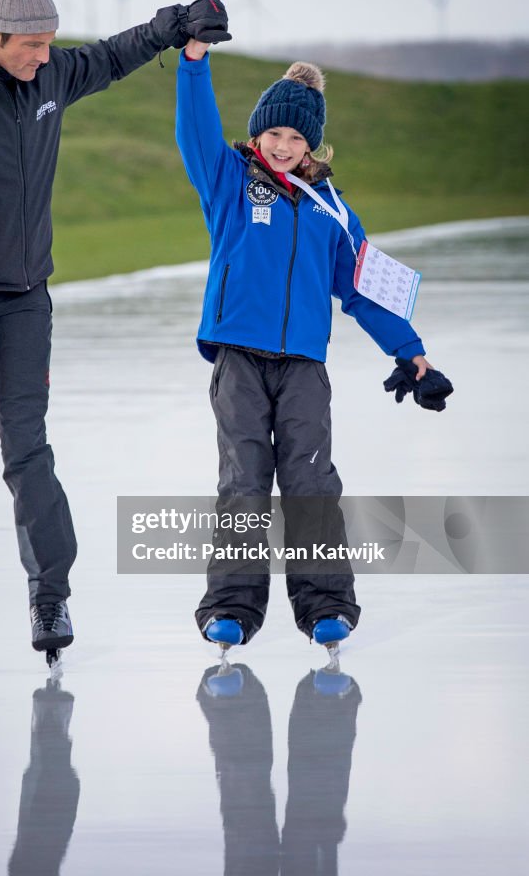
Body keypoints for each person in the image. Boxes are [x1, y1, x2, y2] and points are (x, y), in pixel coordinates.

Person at [0, 0, 228, 666]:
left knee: (27, 449)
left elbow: (113, 56)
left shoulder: (51, 77)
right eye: (31, 46)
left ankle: (49, 596)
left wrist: (176, 22)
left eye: (49, 45)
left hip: (22, 298)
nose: (43, 58)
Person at [175, 34, 453, 655]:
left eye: (296, 139)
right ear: (258, 133)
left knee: (311, 483)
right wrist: (193, 64)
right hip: (239, 361)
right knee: (244, 481)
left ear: (312, 147)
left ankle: (327, 605)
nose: (282, 146)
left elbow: (362, 289)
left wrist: (411, 354)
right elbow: (196, 132)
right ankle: (230, 607)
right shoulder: (229, 181)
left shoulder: (332, 210)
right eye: (273, 134)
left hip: (303, 367)